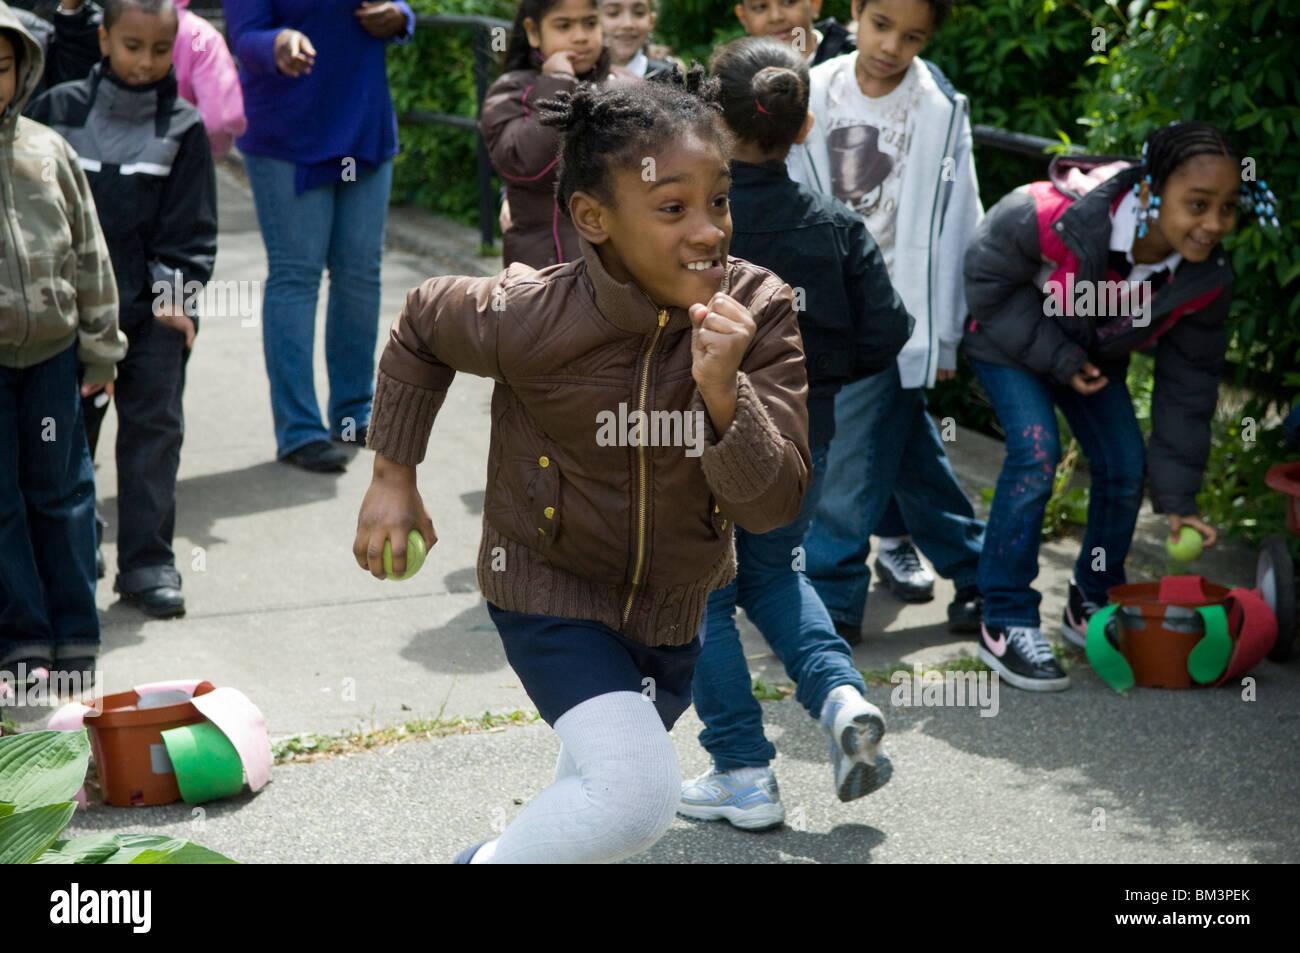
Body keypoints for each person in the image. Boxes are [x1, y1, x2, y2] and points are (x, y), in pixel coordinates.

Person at [355, 69, 811, 863]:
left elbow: (773, 507)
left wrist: (722, 392)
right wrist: (394, 475)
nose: (708, 230)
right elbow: (424, 321)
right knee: (636, 796)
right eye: (672, 208)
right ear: (594, 218)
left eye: (719, 200)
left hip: (673, 610)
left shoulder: (761, 311)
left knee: (594, 794)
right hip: (548, 586)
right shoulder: (530, 314)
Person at [677, 37, 912, 831]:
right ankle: (842, 698)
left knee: (704, 594)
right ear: (807, 125)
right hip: (803, 438)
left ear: (712, 119)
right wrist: (824, 372)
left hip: (701, 437)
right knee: (777, 577)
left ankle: (743, 769)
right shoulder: (836, 226)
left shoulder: (689, 222)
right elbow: (889, 332)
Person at [962, 122, 1271, 691]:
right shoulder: (1049, 212)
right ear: (1152, 194)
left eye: (1228, 208)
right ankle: (1004, 618)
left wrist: (1177, 499)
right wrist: (1058, 358)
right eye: (1197, 204)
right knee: (1036, 456)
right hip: (1008, 344)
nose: (1213, 225)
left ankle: (1093, 599)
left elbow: (1189, 387)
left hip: (1086, 358)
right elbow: (985, 281)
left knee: (1124, 468)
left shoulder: (1204, 278)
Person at [788, 0, 985, 644]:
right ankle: (982, 574)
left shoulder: (939, 110)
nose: (891, 46)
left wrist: (947, 330)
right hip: (824, 308)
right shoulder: (812, 89)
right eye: (880, 26)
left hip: (896, 315)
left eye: (912, 36)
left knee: (847, 458)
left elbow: (961, 220)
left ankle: (832, 600)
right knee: (907, 455)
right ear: (855, 12)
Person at [29, 0, 216, 619]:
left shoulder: (185, 127)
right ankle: (75, 550)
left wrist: (175, 303)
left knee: (153, 436)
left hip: (151, 317)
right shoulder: (56, 112)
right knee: (65, 440)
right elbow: (35, 215)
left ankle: (146, 564)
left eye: (160, 50)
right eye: (132, 46)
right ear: (104, 39)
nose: (146, 62)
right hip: (68, 316)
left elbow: (191, 233)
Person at [224, 0, 415, 473]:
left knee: (359, 274)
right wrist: (278, 42)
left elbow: (399, 9)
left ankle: (353, 413)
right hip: (287, 131)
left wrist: (400, 18)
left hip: (364, 120)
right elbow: (244, 35)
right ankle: (299, 431)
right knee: (296, 274)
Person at [0, 3, 124, 698]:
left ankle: (76, 635)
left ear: (22, 70)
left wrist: (102, 350)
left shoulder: (49, 152)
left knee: (65, 496)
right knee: (3, 505)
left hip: (52, 357)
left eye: (1, 69)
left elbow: (89, 254)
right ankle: (21, 641)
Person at [481, 0, 609, 270]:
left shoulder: (617, 88)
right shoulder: (512, 91)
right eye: (564, 26)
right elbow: (524, 166)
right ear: (533, 32)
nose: (581, 37)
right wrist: (558, 84)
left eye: (590, 23)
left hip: (612, 269)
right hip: (543, 271)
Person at [172, 0, 245, 157]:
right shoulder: (200, 36)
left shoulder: (116, 24)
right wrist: (206, 153)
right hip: (183, 157)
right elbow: (218, 119)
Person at [732, 0, 851, 66]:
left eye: (788, 2)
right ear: (743, 17)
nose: (775, 17)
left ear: (814, 4)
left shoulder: (852, 62)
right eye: (761, 7)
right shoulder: (734, 84)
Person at [600, 0, 672, 80]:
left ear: (651, 20)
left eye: (639, 13)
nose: (627, 24)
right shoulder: (585, 76)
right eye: (613, 13)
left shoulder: (667, 78)